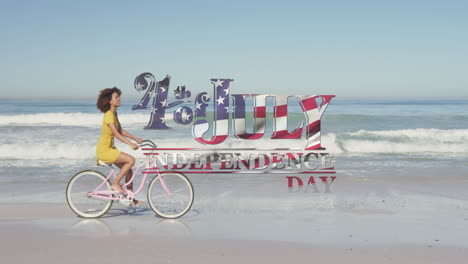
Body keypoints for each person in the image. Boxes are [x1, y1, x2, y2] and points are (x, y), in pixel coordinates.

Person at [96, 87, 144, 206]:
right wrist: (130, 144)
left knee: (129, 171)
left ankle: (130, 199)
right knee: (131, 160)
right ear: (110, 101)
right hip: (105, 151)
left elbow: (120, 130)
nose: (119, 99)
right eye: (116, 97)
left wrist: (135, 138)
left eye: (119, 97)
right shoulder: (108, 115)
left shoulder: (114, 113)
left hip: (111, 149)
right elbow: (116, 134)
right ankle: (116, 183)